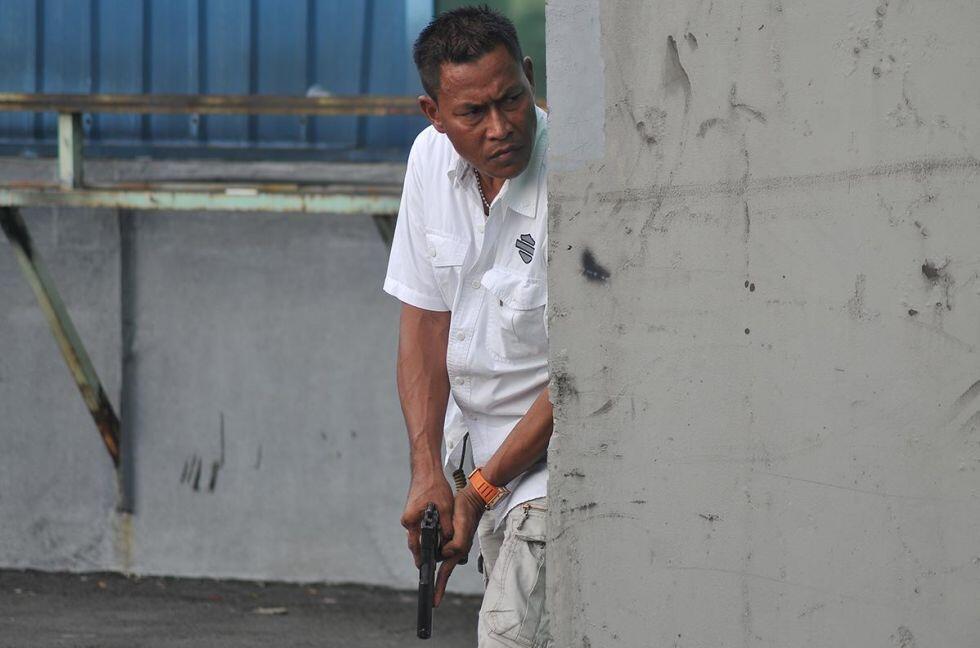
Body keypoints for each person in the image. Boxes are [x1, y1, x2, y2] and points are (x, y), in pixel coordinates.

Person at [383, 6, 553, 647]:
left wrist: (480, 491)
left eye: (512, 99)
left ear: (529, 75)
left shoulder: (576, 178)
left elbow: (582, 376)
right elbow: (425, 321)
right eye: (473, 113)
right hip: (475, 459)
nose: (501, 127)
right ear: (434, 114)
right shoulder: (428, 159)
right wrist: (429, 470)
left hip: (559, 463)